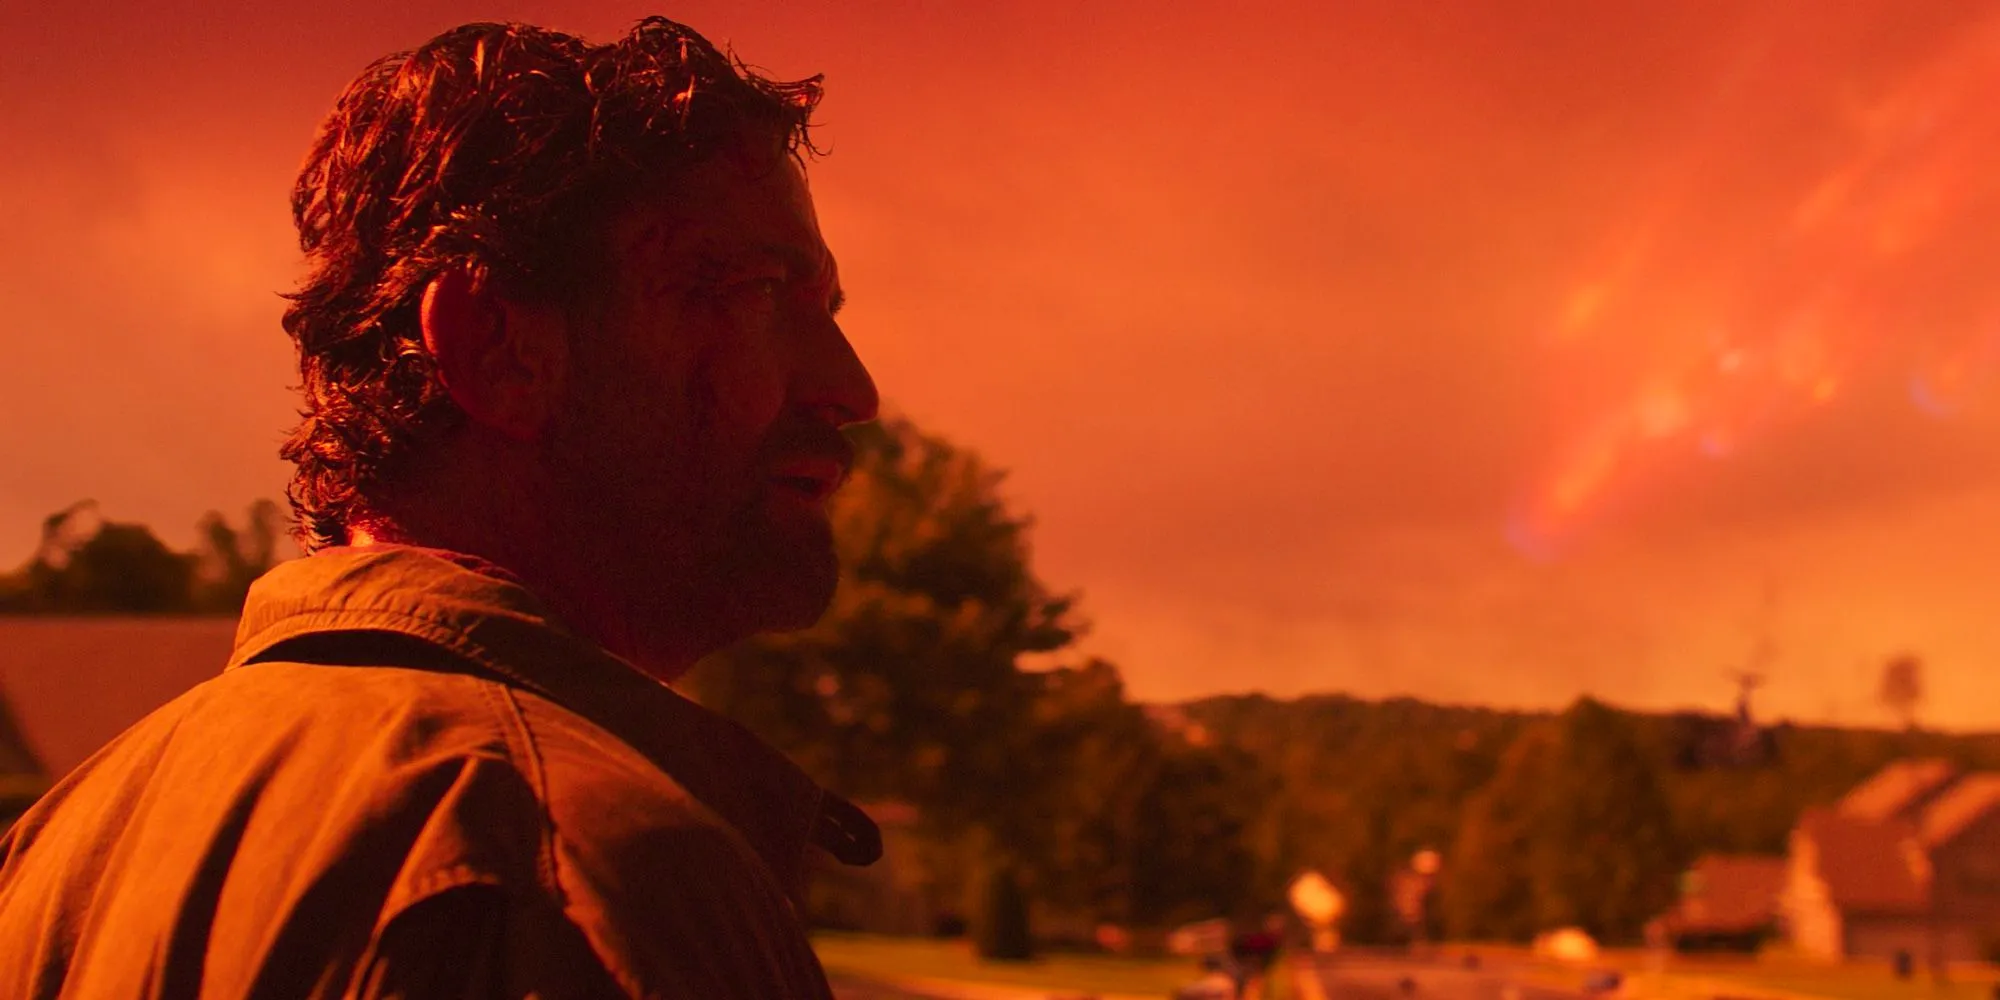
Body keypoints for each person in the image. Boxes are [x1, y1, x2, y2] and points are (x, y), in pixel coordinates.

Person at [0, 16, 880, 999]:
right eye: (758, 293)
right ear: (496, 348)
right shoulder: (591, 866)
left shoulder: (64, 847)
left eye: (829, 313)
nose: (851, 388)